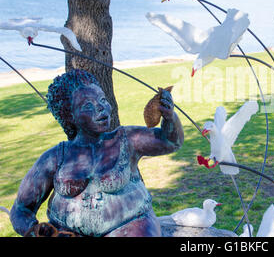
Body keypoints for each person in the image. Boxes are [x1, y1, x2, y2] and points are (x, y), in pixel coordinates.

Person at [9, 69, 184, 237]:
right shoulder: (55, 157)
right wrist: (34, 230)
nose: (101, 109)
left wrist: (169, 118)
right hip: (68, 232)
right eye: (88, 106)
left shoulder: (126, 139)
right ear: (70, 115)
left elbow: (169, 141)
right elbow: (21, 209)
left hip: (129, 225)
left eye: (102, 100)